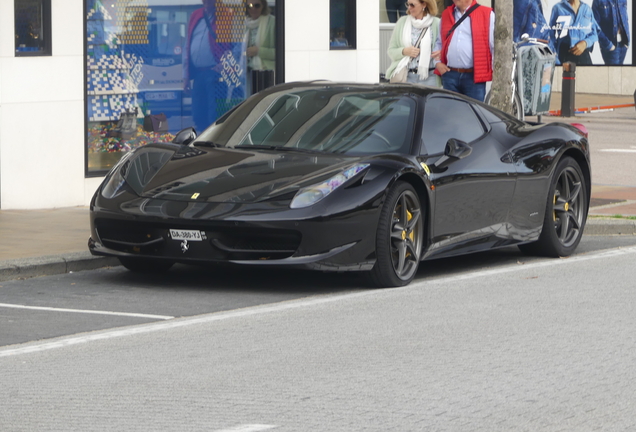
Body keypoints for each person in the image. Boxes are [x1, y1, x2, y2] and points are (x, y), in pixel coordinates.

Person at [183, 0, 233, 132]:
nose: (207, 3)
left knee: (214, 113)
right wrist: (185, 76)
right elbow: (187, 45)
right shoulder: (196, 15)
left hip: (216, 73)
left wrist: (225, 63)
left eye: (211, 1)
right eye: (205, 1)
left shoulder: (228, 16)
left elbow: (236, 46)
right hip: (198, 73)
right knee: (198, 112)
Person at [433, 0, 495, 102]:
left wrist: (494, 73)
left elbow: (493, 45)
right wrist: (437, 63)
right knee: (451, 114)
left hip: (474, 77)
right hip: (449, 74)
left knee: (473, 113)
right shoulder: (446, 14)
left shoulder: (487, 14)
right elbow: (439, 42)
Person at [387, 0, 442, 88]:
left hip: (430, 77)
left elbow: (443, 49)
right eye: (408, 4)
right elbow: (391, 51)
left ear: (424, 4)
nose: (409, 8)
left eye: (412, 5)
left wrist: (440, 53)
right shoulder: (402, 22)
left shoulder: (437, 23)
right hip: (407, 76)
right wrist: (404, 51)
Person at [549, 0, 598, 65]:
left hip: (584, 56)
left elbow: (595, 33)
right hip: (564, 55)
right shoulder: (558, 8)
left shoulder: (587, 9)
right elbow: (550, 35)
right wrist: (555, 57)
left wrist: (585, 43)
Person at [245, 0, 275, 95]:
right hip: (247, 74)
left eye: (257, 5)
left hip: (266, 74)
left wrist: (259, 51)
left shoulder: (272, 22)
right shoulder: (243, 24)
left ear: (263, 6)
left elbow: (281, 54)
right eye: (250, 5)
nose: (253, 8)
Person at [592, 0, 630, 65]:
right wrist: (608, 44)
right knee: (613, 74)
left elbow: (625, 17)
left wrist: (627, 42)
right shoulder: (598, 1)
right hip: (611, 45)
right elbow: (594, 25)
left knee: (621, 73)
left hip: (623, 43)